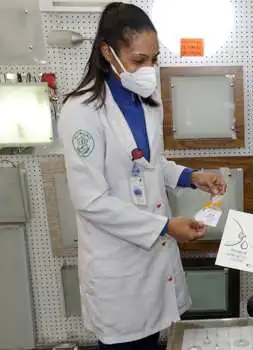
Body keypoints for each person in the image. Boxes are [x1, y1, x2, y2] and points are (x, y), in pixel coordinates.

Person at [58, 3, 226, 349]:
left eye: (154, 59)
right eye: (138, 60)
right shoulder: (81, 112)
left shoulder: (147, 99)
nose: (148, 69)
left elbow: (151, 163)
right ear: (108, 53)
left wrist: (193, 177)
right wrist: (165, 226)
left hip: (153, 261)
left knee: (154, 340)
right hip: (117, 267)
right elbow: (90, 200)